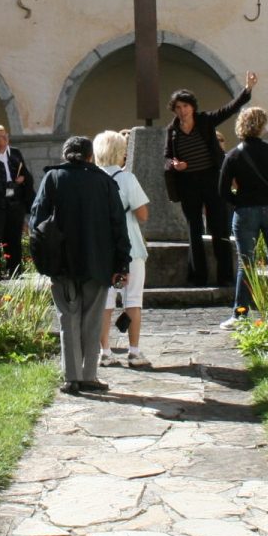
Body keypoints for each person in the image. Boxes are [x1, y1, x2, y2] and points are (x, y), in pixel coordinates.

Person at [30, 136, 131, 396]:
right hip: (97, 261)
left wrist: (42, 257)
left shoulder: (52, 179)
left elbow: (37, 221)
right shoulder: (104, 183)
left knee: (68, 318)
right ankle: (89, 376)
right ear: (90, 156)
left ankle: (71, 377)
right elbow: (119, 225)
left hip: (61, 261)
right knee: (92, 320)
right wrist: (122, 262)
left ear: (65, 155)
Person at [165, 72, 257, 287]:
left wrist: (247, 89)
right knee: (194, 229)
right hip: (188, 183)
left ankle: (225, 276)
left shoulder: (205, 121)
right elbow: (167, 157)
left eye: (185, 106)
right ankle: (198, 276)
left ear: (192, 107)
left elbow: (229, 109)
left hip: (211, 179)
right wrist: (174, 165)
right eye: (178, 107)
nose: (182, 111)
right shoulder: (173, 130)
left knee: (218, 228)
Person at [219, 106, 268, 328]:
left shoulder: (233, 155)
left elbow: (222, 191)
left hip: (246, 210)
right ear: (262, 126)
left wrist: (239, 199)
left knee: (246, 264)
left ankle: (240, 314)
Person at [93, 129, 151, 367]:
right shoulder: (127, 178)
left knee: (104, 302)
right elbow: (143, 214)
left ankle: (104, 352)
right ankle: (134, 351)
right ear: (120, 153)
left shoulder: (92, 179)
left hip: (100, 249)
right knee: (133, 300)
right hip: (130, 248)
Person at [0, 124, 34, 278]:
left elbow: (27, 176)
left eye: (6, 135)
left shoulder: (15, 153)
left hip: (15, 202)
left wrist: (23, 179)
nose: (6, 138)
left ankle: (15, 271)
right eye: (1, 136)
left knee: (14, 238)